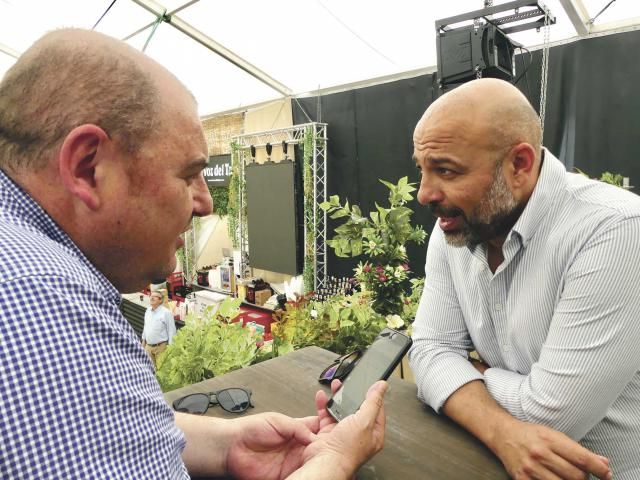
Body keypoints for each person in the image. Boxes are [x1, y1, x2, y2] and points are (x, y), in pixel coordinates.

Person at [0, 29, 386, 479]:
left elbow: (83, 430)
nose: (205, 203)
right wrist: (335, 460)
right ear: (88, 168)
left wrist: (226, 444)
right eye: (188, 175)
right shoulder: (41, 303)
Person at [408, 77, 640, 479]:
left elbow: (551, 416)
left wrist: (470, 373)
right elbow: (428, 351)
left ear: (520, 164)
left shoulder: (615, 229)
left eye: (445, 170)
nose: (424, 193)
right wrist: (502, 430)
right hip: (493, 463)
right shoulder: (455, 228)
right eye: (422, 169)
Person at [142, 290, 177, 368]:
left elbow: (172, 331)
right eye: (151, 296)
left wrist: (170, 349)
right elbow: (145, 327)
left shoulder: (166, 313)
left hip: (161, 348)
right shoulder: (147, 310)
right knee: (150, 370)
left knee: (162, 371)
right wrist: (143, 343)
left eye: (155, 297)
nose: (152, 298)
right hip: (148, 347)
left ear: (160, 300)